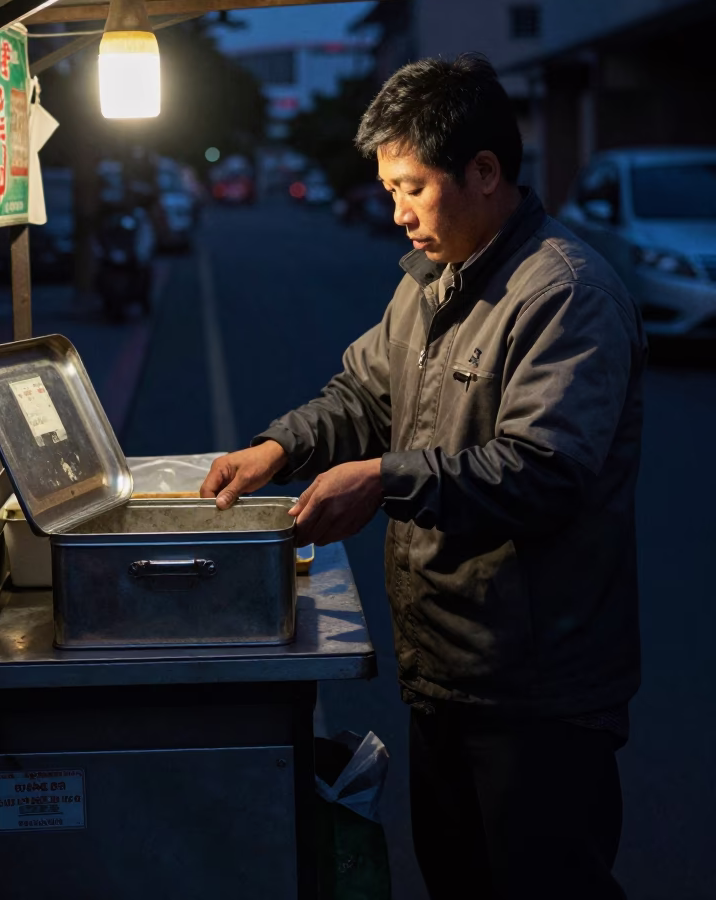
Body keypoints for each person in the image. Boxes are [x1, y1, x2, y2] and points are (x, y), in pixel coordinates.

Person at [200, 53, 644, 900]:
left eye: (411, 186)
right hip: (447, 672)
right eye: (389, 188)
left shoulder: (566, 293)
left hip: (538, 690)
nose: (395, 211)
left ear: (485, 172)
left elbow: (544, 471)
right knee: (458, 879)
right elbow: (363, 394)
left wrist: (381, 478)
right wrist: (280, 448)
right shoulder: (430, 285)